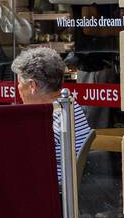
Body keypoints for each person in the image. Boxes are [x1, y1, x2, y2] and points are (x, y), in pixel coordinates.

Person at [12, 45, 92, 181]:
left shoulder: (52, 119)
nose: (18, 89)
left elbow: (25, 162)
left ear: (32, 86)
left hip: (53, 190)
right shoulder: (70, 105)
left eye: (19, 83)